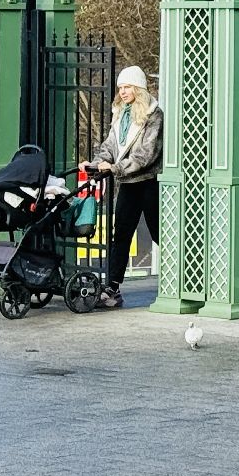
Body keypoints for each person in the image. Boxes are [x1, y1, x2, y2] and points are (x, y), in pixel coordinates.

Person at [81, 66, 163, 309]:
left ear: (139, 88)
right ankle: (112, 288)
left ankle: (181, 277)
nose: (122, 92)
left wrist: (114, 168)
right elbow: (110, 145)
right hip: (128, 183)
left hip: (148, 182)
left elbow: (145, 155)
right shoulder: (120, 114)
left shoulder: (153, 115)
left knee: (159, 233)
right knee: (121, 236)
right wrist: (95, 163)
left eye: (127, 87)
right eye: (120, 88)